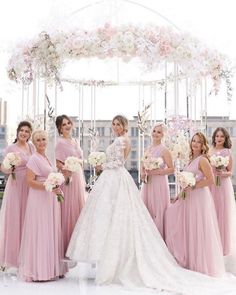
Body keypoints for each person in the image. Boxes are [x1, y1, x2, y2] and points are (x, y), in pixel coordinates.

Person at [66, 118, 236, 294]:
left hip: (146, 182)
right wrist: (145, 171)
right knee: (113, 214)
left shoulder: (127, 141)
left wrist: (102, 165)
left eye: (118, 124)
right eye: (114, 124)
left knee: (157, 214)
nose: (115, 127)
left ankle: (171, 251)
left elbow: (121, 162)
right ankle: (110, 255)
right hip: (141, 182)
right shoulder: (148, 149)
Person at [165, 132, 225, 276]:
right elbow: (186, 181)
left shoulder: (203, 160)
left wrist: (193, 186)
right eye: (193, 141)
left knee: (197, 228)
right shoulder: (191, 159)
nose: (195, 144)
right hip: (189, 197)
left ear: (203, 145)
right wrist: (179, 195)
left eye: (198, 142)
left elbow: (210, 180)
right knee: (173, 215)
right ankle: (187, 258)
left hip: (199, 198)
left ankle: (200, 264)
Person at [18, 130, 66, 281]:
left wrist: (56, 185)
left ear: (47, 141)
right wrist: (48, 184)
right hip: (39, 199)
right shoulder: (33, 159)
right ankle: (39, 271)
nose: (41, 142)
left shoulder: (46, 158)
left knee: (49, 231)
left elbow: (50, 177)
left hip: (49, 198)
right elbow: (30, 181)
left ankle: (50, 268)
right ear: (34, 142)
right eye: (38, 140)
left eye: (43, 139)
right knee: (41, 231)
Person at [0, 121, 34, 270]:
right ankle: (12, 258)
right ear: (17, 132)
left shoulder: (32, 147)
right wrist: (10, 167)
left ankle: (26, 257)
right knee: (15, 219)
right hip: (15, 186)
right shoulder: (10, 148)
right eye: (22, 130)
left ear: (29, 134)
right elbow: (3, 168)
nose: (24, 133)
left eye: (27, 131)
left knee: (27, 219)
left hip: (29, 185)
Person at [55, 115, 86, 253]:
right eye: (63, 124)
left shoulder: (75, 141)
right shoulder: (60, 143)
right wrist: (66, 169)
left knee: (77, 208)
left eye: (68, 123)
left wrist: (77, 164)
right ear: (60, 128)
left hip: (78, 177)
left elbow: (80, 159)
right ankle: (65, 246)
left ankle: (76, 246)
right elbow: (57, 162)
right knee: (67, 210)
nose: (67, 126)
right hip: (68, 178)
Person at [210, 127, 236, 273]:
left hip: (223, 186)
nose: (219, 138)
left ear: (225, 139)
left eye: (222, 137)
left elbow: (230, 171)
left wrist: (223, 173)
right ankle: (212, 243)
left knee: (222, 213)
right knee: (211, 212)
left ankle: (223, 246)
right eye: (217, 136)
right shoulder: (209, 151)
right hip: (212, 184)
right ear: (214, 138)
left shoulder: (227, 152)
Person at [141, 123, 174, 238]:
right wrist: (142, 172)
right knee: (147, 208)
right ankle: (148, 238)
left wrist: (156, 172)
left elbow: (171, 169)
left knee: (158, 209)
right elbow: (143, 163)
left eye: (159, 132)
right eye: (154, 131)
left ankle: (159, 238)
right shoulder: (148, 149)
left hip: (159, 183)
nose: (155, 134)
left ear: (163, 135)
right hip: (148, 183)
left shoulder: (164, 150)